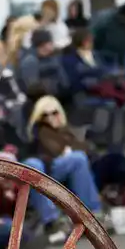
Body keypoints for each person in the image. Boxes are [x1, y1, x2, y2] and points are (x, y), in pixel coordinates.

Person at [21, 96, 106, 238]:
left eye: (54, 113)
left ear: (60, 112)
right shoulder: (39, 130)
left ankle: (92, 214)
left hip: (56, 168)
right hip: (44, 169)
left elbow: (85, 150)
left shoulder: (64, 131)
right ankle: (51, 221)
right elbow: (55, 150)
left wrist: (66, 142)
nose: (50, 117)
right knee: (34, 165)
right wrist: (66, 146)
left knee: (78, 158)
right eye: (45, 115)